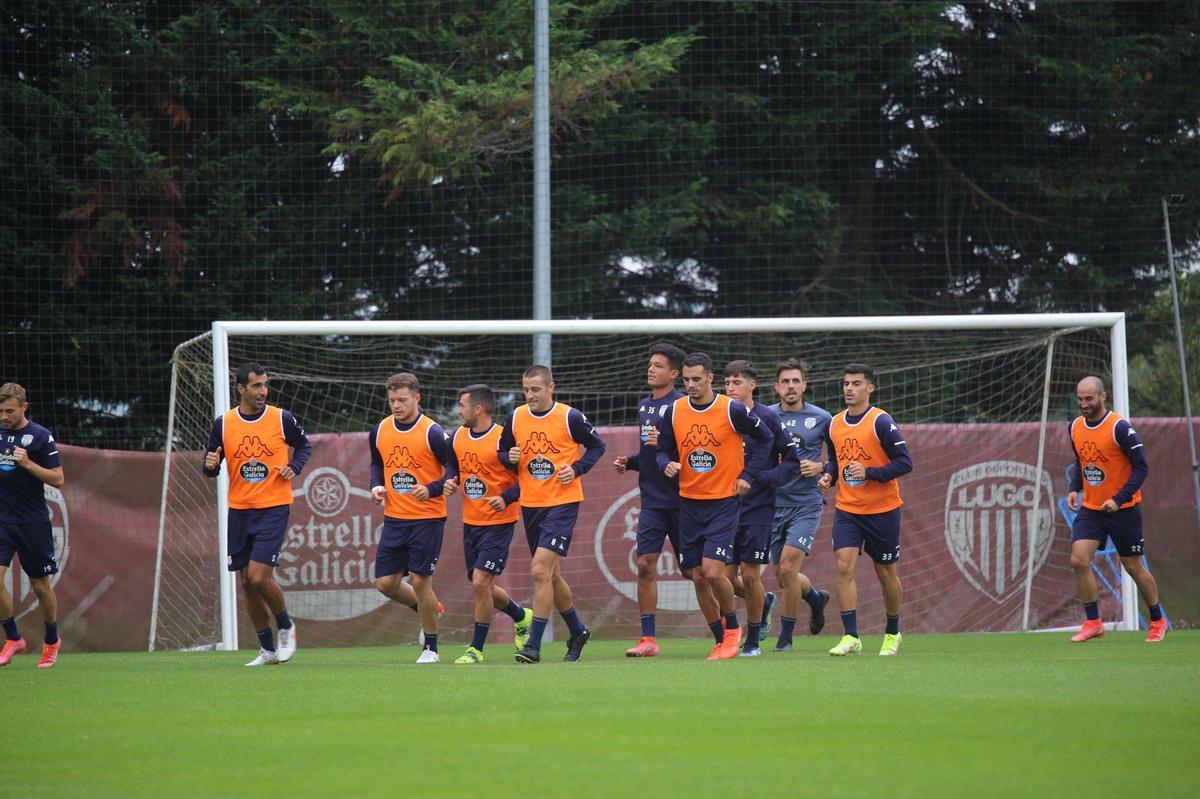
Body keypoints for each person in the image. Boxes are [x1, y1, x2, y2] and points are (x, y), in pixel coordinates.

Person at [656, 353, 774, 660]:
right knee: (696, 575)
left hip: (723, 502)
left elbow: (766, 439)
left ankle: (733, 630)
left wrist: (748, 474)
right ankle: (720, 638)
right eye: (686, 380)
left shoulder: (731, 410)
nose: (691, 385)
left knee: (711, 571)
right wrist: (665, 462)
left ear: (710, 379)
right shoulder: (674, 411)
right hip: (688, 503)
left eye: (697, 379)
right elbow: (662, 448)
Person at [203, 363, 311, 666]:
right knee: (246, 583)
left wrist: (294, 467)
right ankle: (267, 649)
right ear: (241, 389)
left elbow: (304, 446)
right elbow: (210, 466)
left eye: (265, 385)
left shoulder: (281, 418)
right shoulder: (223, 424)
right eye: (256, 386)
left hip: (273, 507)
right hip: (239, 510)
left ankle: (287, 628)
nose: (263, 391)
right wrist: (211, 464)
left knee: (259, 576)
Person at [613, 342, 717, 657]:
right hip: (653, 502)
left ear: (674, 374)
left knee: (696, 573)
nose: (651, 369)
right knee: (645, 563)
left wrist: (678, 462)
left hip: (685, 501)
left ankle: (723, 634)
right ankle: (648, 640)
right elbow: (653, 452)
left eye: (658, 365)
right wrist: (630, 462)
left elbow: (689, 449)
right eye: (650, 364)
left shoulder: (685, 405)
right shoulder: (644, 406)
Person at [499, 365, 605, 663]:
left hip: (563, 502)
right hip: (531, 504)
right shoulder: (516, 417)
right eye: (526, 390)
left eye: (535, 389)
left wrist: (577, 468)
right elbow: (502, 452)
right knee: (551, 575)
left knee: (539, 570)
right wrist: (510, 457)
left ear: (550, 388)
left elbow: (598, 446)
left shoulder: (569, 417)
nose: (530, 395)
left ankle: (533, 645)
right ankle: (578, 630)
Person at [818, 364, 912, 656]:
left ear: (870, 388)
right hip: (848, 509)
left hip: (882, 510)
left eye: (856, 384)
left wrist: (869, 472)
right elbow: (836, 460)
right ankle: (851, 637)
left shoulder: (880, 422)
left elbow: (905, 463)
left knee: (885, 572)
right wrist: (829, 476)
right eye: (846, 383)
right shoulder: (834, 423)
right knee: (843, 566)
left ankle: (893, 632)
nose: (849, 388)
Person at [1066, 376, 1166, 643]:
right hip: (1092, 508)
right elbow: (1080, 460)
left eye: (1089, 398)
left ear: (1103, 396)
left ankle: (1157, 620)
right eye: (1080, 398)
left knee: (1132, 566)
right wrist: (1075, 487)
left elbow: (1141, 466)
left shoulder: (1119, 427)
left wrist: (1119, 499)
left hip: (1123, 509)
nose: (1083, 404)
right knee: (1078, 559)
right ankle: (1094, 622)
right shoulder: (1075, 426)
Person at [442, 384, 534, 664]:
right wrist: (450, 480)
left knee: (481, 582)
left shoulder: (502, 439)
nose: (459, 410)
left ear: (478, 409)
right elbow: (453, 467)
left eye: (462, 405)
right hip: (471, 522)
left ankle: (476, 649)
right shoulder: (457, 436)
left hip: (499, 522)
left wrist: (505, 498)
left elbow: (527, 479)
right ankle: (521, 616)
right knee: (482, 584)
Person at [369, 372, 452, 664]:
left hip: (427, 519)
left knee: (419, 580)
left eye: (402, 399)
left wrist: (431, 489)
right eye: (392, 400)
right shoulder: (380, 430)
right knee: (385, 584)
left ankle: (431, 647)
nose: (396, 405)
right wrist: (377, 485)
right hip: (394, 519)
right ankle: (427, 608)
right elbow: (377, 464)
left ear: (417, 398)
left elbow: (454, 469)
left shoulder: (433, 432)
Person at [720, 360, 801, 657]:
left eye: (737, 382)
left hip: (757, 508)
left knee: (751, 575)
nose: (731, 387)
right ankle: (753, 613)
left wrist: (761, 480)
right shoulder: (719, 415)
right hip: (722, 508)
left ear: (753, 385)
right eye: (727, 382)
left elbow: (791, 461)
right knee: (722, 578)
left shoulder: (766, 417)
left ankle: (752, 641)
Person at [768, 358, 832, 652]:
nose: (791, 387)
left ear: (804, 385)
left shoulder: (822, 418)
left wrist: (820, 468)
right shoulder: (764, 416)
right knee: (783, 577)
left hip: (806, 504)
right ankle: (815, 598)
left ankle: (785, 640)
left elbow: (839, 460)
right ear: (776, 387)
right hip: (771, 505)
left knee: (788, 567)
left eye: (796, 381)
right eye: (786, 382)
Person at [0, 383, 66, 668]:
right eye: (0, 411)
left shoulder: (40, 437)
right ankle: (13, 638)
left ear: (24, 407)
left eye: (9, 411)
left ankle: (52, 640)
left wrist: (28, 464)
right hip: (3, 521)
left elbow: (58, 479)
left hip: (33, 523)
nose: (4, 416)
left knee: (40, 586)